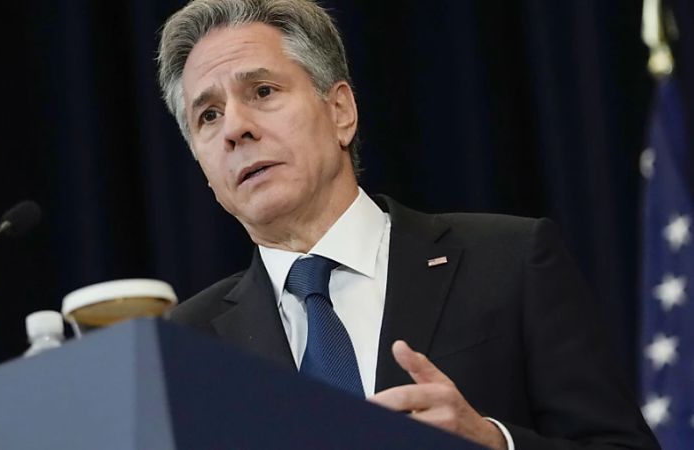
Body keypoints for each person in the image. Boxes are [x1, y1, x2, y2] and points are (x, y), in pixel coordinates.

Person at [157, 1, 659, 448]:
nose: (235, 129)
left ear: (340, 112)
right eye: (208, 117)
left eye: (262, 91)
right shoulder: (189, 344)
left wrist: (492, 443)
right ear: (202, 167)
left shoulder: (509, 261)